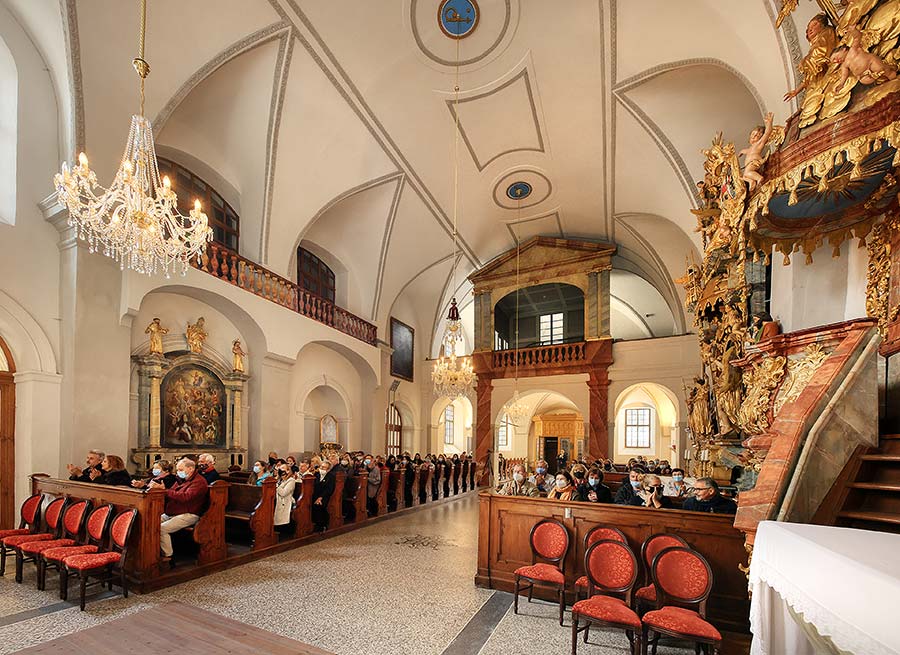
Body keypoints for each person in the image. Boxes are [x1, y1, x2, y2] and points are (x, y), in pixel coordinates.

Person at [149, 458, 209, 562]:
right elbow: (172, 491)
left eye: (180, 470)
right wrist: (163, 489)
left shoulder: (199, 482)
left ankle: (168, 557)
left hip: (189, 513)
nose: (178, 472)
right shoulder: (182, 479)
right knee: (150, 522)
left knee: (162, 529)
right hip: (173, 512)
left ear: (190, 469)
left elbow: (185, 497)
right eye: (177, 470)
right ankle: (151, 552)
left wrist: (165, 491)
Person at [312, 460, 336, 531]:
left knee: (320, 505)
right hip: (315, 495)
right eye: (321, 467)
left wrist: (320, 497)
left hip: (325, 496)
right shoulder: (316, 475)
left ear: (328, 469)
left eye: (324, 468)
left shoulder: (331, 477)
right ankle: (314, 523)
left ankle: (322, 525)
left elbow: (329, 489)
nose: (322, 469)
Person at [274, 463, 296, 536]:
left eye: (283, 468)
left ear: (288, 470)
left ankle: (283, 532)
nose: (281, 470)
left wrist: (276, 486)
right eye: (280, 468)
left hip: (285, 501)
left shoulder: (291, 480)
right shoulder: (279, 479)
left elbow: (284, 493)